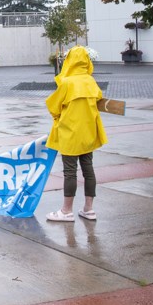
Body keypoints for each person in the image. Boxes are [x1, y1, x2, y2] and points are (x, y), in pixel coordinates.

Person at [45, 46, 108, 222]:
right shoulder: (91, 81)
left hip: (70, 133)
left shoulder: (67, 83)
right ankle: (89, 209)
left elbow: (53, 106)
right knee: (88, 170)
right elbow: (98, 100)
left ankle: (66, 211)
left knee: (70, 172)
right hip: (88, 133)